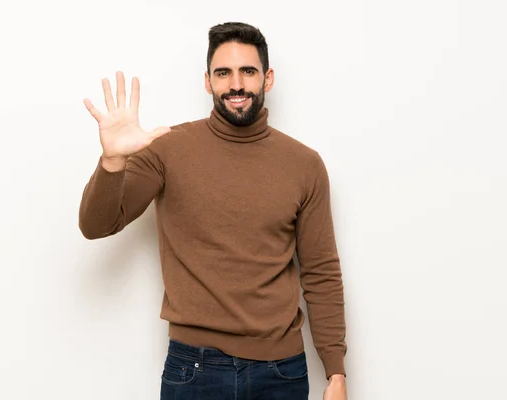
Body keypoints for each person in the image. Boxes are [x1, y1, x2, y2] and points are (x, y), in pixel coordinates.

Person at [79, 21, 348, 400]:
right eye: (223, 73)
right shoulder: (166, 149)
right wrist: (112, 162)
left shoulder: (305, 164)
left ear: (267, 79)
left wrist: (335, 372)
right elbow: (97, 225)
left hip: (281, 371)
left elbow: (321, 271)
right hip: (194, 370)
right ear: (207, 81)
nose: (236, 84)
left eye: (248, 71)